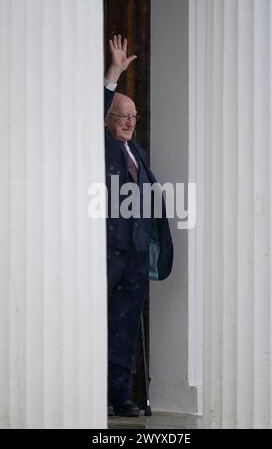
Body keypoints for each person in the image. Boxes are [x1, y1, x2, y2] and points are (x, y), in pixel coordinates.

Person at [104, 34, 173, 417]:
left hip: (134, 254)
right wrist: (113, 74)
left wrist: (154, 239)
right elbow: (91, 109)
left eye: (134, 116)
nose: (130, 121)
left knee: (126, 326)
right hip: (107, 251)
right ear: (107, 120)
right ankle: (93, 389)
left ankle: (120, 396)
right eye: (122, 115)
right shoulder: (102, 146)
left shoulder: (138, 151)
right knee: (98, 322)